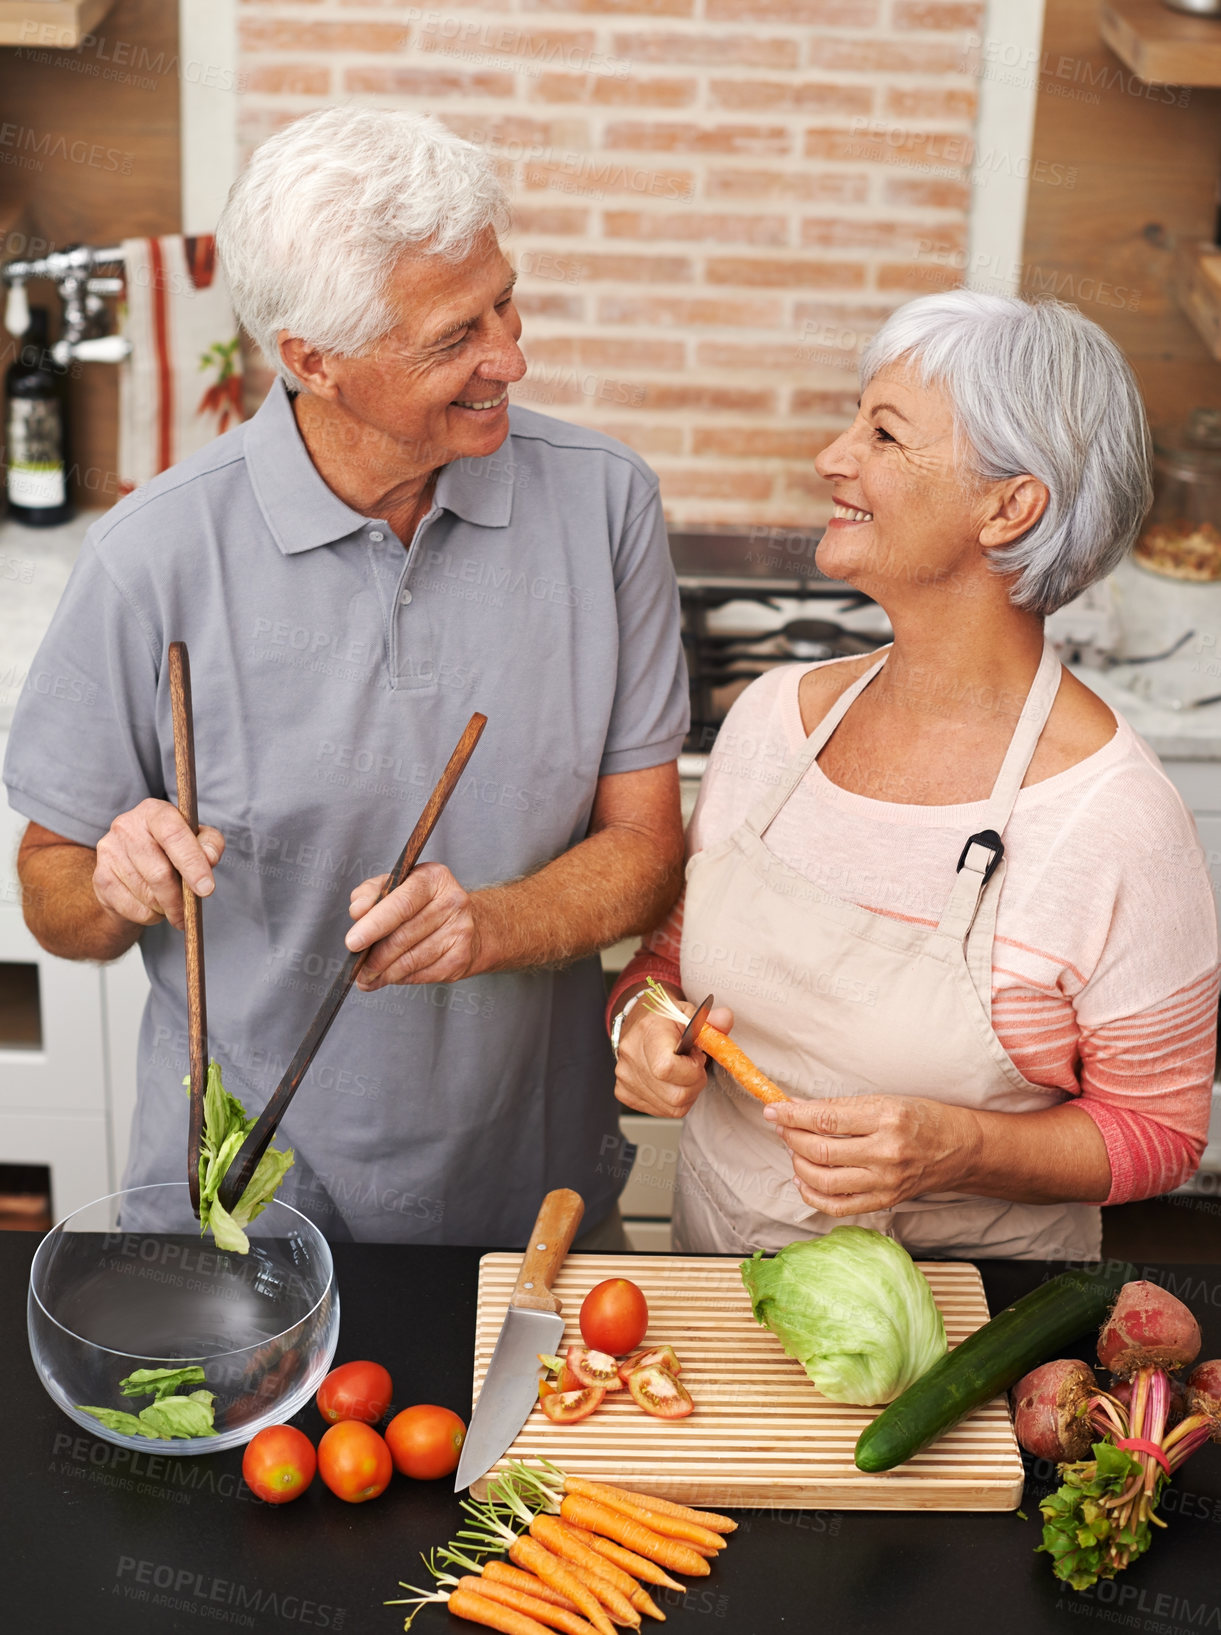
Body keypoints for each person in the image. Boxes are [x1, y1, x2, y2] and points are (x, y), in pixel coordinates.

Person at [4, 107, 688, 1248]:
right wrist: (114, 881)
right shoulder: (152, 556)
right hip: (230, 1212)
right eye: (452, 336)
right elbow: (51, 894)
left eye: (505, 301)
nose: (510, 356)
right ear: (313, 360)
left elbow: (649, 848)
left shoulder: (607, 506)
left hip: (529, 1211)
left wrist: (490, 926)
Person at [609, 290, 1220, 1262]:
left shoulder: (1118, 823)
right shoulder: (774, 722)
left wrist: (957, 1149)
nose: (832, 458)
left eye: (884, 435)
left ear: (1011, 506)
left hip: (963, 1348)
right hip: (715, 1306)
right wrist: (640, 1028)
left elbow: (1162, 1134)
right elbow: (662, 973)